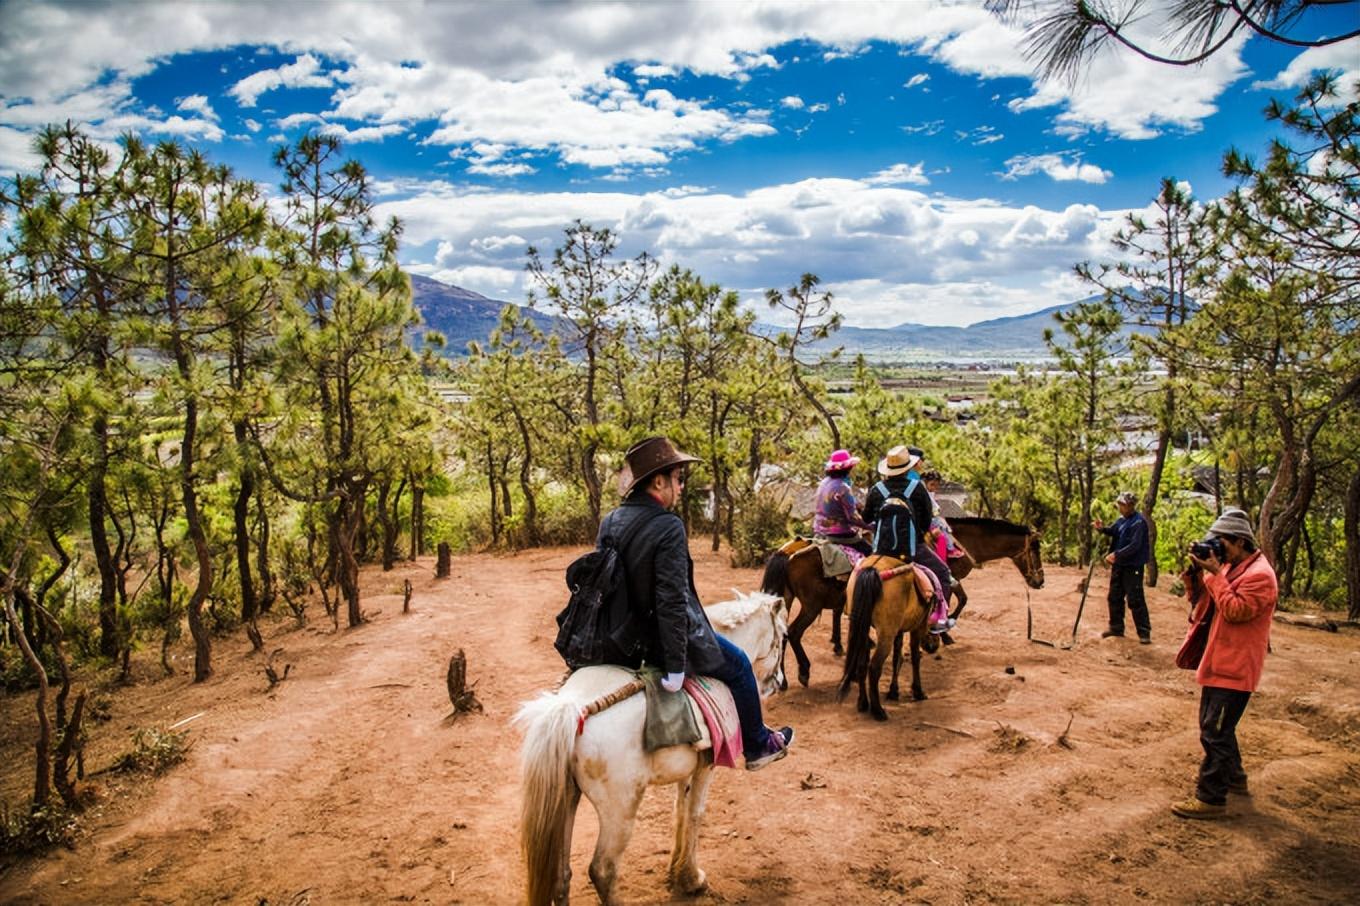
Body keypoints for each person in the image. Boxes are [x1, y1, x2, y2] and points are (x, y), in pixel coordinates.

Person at [601, 436, 794, 772]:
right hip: (661, 641)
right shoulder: (668, 526)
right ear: (658, 481)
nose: (681, 485)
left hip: (620, 639)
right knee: (738, 666)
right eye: (679, 478)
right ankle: (758, 743)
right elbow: (671, 601)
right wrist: (675, 665)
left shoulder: (610, 522)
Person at [1171, 507, 1278, 820]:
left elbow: (1234, 610)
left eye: (1222, 544)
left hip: (1236, 664)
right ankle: (1234, 778)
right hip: (1221, 658)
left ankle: (1211, 798)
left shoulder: (1260, 576)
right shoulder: (1237, 565)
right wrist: (1197, 573)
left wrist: (1216, 574)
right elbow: (1204, 604)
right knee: (1218, 725)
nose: (1219, 550)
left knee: (1214, 731)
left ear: (1240, 542)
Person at [863, 445, 953, 630]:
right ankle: (938, 619)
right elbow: (926, 521)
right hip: (912, 548)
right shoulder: (917, 488)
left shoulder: (876, 489)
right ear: (907, 467)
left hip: (880, 549)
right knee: (943, 573)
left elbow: (867, 518)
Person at [1093, 491, 1152, 644]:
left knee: (1135, 599)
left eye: (1123, 505)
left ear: (1131, 506)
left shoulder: (1139, 522)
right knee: (1114, 596)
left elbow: (1135, 545)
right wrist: (1101, 529)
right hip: (1119, 565)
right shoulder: (1121, 520)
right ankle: (1116, 627)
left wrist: (1116, 554)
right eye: (1119, 504)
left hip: (1133, 566)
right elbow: (1113, 531)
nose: (1120, 507)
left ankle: (1144, 632)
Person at [812, 448, 873, 555]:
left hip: (819, 530)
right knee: (870, 552)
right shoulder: (843, 488)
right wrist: (871, 526)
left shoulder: (823, 482)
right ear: (848, 468)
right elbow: (852, 518)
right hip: (839, 533)